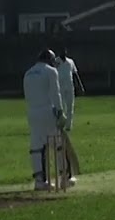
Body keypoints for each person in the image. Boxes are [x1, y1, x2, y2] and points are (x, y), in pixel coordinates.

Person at [24, 49, 72, 190]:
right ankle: (65, 178)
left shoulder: (28, 73)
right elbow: (56, 94)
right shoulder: (51, 71)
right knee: (58, 144)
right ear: (49, 60)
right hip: (47, 111)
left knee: (37, 146)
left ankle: (39, 181)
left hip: (32, 113)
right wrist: (60, 112)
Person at [56, 47, 84, 132]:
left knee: (70, 106)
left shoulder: (70, 61)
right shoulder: (56, 61)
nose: (63, 53)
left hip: (70, 86)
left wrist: (80, 85)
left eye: (64, 51)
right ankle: (61, 124)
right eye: (62, 51)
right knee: (61, 106)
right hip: (60, 86)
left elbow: (75, 74)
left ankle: (68, 126)